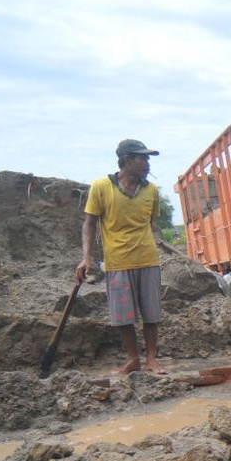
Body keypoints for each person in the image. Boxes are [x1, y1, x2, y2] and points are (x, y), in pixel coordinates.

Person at [74, 139, 168, 375]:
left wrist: (158, 248)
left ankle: (151, 359)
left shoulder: (151, 190)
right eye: (142, 158)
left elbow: (152, 223)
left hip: (147, 259)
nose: (147, 164)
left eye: (148, 159)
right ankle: (133, 359)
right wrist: (86, 258)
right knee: (124, 315)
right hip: (117, 261)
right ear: (127, 160)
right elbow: (90, 223)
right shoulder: (101, 187)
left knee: (151, 313)